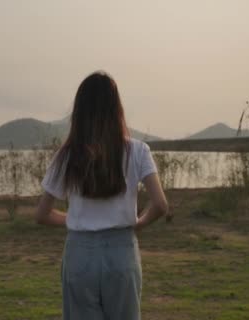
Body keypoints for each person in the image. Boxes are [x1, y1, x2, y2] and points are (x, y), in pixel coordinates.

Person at [35, 71, 169, 320]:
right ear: (116, 107)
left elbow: (42, 214)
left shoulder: (66, 155)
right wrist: (139, 223)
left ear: (79, 111)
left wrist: (76, 219)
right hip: (121, 252)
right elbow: (160, 205)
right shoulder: (138, 151)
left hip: (79, 254)